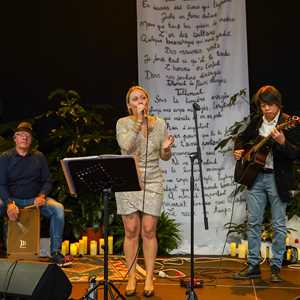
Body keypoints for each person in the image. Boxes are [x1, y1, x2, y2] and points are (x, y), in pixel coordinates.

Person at [233, 85, 300, 282]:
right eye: (263, 106)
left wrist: (281, 142)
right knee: (253, 222)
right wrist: (239, 150)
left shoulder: (289, 123)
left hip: (277, 179)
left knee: (279, 225)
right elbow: (241, 138)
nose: (267, 109)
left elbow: (295, 153)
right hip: (255, 176)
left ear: (278, 104)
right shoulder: (256, 122)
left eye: (270, 105)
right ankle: (253, 265)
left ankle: (276, 268)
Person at [115, 86, 174, 297]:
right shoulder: (123, 123)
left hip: (153, 180)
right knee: (131, 229)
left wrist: (166, 149)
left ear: (147, 101)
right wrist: (138, 122)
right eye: (135, 99)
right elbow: (126, 146)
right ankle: (131, 276)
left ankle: (149, 277)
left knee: (148, 229)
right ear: (129, 105)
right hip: (128, 178)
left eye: (142, 97)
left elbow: (164, 156)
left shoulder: (159, 124)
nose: (139, 101)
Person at [0, 121, 70, 267]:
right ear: (15, 138)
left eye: (28, 135)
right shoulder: (5, 157)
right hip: (12, 200)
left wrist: (42, 195)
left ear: (31, 140)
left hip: (34, 200)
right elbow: (1, 184)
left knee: (58, 209)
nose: (24, 138)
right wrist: (8, 203)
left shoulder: (39, 157)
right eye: (21, 135)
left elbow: (48, 181)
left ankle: (55, 252)